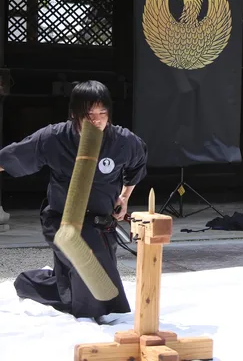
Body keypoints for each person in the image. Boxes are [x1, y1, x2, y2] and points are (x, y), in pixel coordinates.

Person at [0, 80, 148, 320]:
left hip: (101, 223)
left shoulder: (123, 141)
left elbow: (137, 165)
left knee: (72, 287)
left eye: (102, 113)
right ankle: (97, 315)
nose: (97, 120)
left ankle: (30, 283)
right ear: (74, 114)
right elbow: (13, 156)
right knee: (89, 266)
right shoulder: (54, 137)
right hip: (63, 220)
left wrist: (124, 197)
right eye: (89, 115)